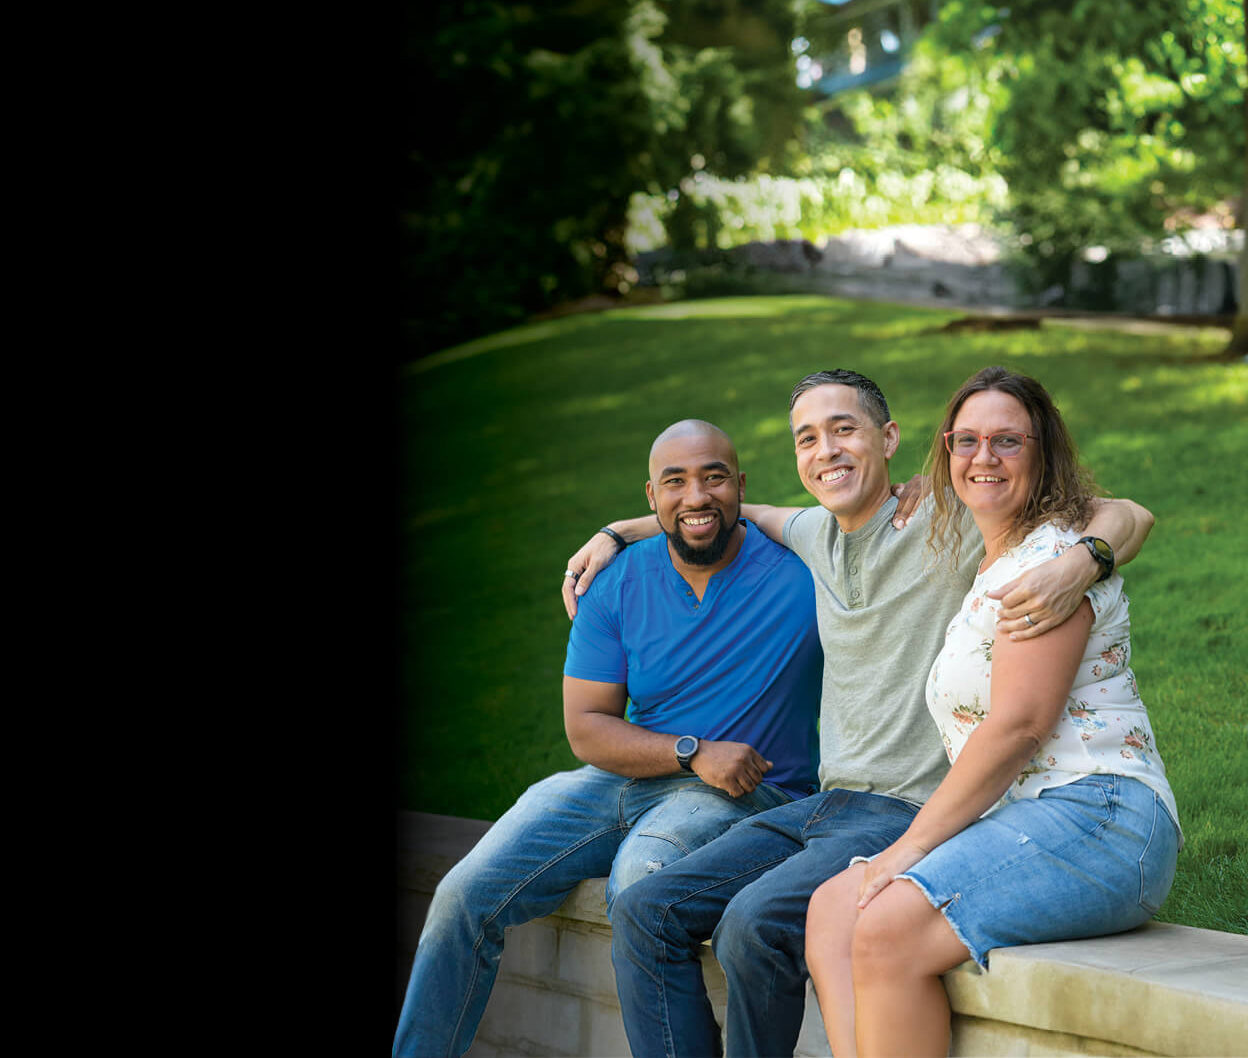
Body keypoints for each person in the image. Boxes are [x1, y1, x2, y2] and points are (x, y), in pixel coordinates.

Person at [557, 369, 1156, 1058]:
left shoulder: (956, 514)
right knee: (644, 910)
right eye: (807, 438)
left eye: (844, 429)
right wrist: (618, 531)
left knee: (751, 924)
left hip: (908, 806)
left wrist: (1085, 560)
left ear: (889, 438)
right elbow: (732, 512)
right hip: (826, 802)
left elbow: (1127, 512)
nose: (827, 450)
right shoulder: (814, 533)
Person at [393, 421, 826, 1058]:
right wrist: (691, 752)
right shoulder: (620, 580)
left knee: (641, 879)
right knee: (464, 894)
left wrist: (618, 526)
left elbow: (868, 516)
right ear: (651, 495)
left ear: (742, 486)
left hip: (746, 791)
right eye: (675, 482)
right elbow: (587, 728)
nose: (696, 496)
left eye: (713, 477)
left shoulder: (799, 570)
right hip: (630, 777)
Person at [801, 367, 1179, 1058]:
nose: (983, 457)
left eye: (1007, 440)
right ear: (944, 451)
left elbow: (1019, 727)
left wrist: (909, 846)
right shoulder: (987, 557)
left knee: (885, 926)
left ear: (1043, 453)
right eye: (966, 440)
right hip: (1029, 815)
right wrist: (625, 529)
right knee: (831, 910)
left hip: (1104, 815)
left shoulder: (1052, 564)